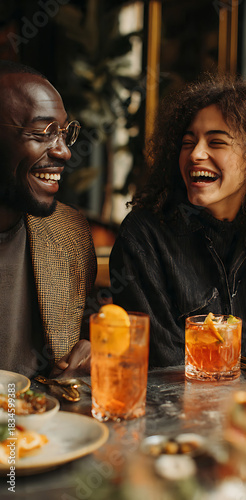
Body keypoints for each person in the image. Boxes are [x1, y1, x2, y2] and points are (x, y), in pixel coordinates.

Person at [110, 75, 246, 368]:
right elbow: (166, 366)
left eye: (216, 142)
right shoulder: (144, 238)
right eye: (187, 142)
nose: (196, 154)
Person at [0, 60, 96, 378]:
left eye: (65, 133)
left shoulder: (70, 233)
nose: (64, 152)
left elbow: (87, 338)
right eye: (44, 133)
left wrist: (92, 348)